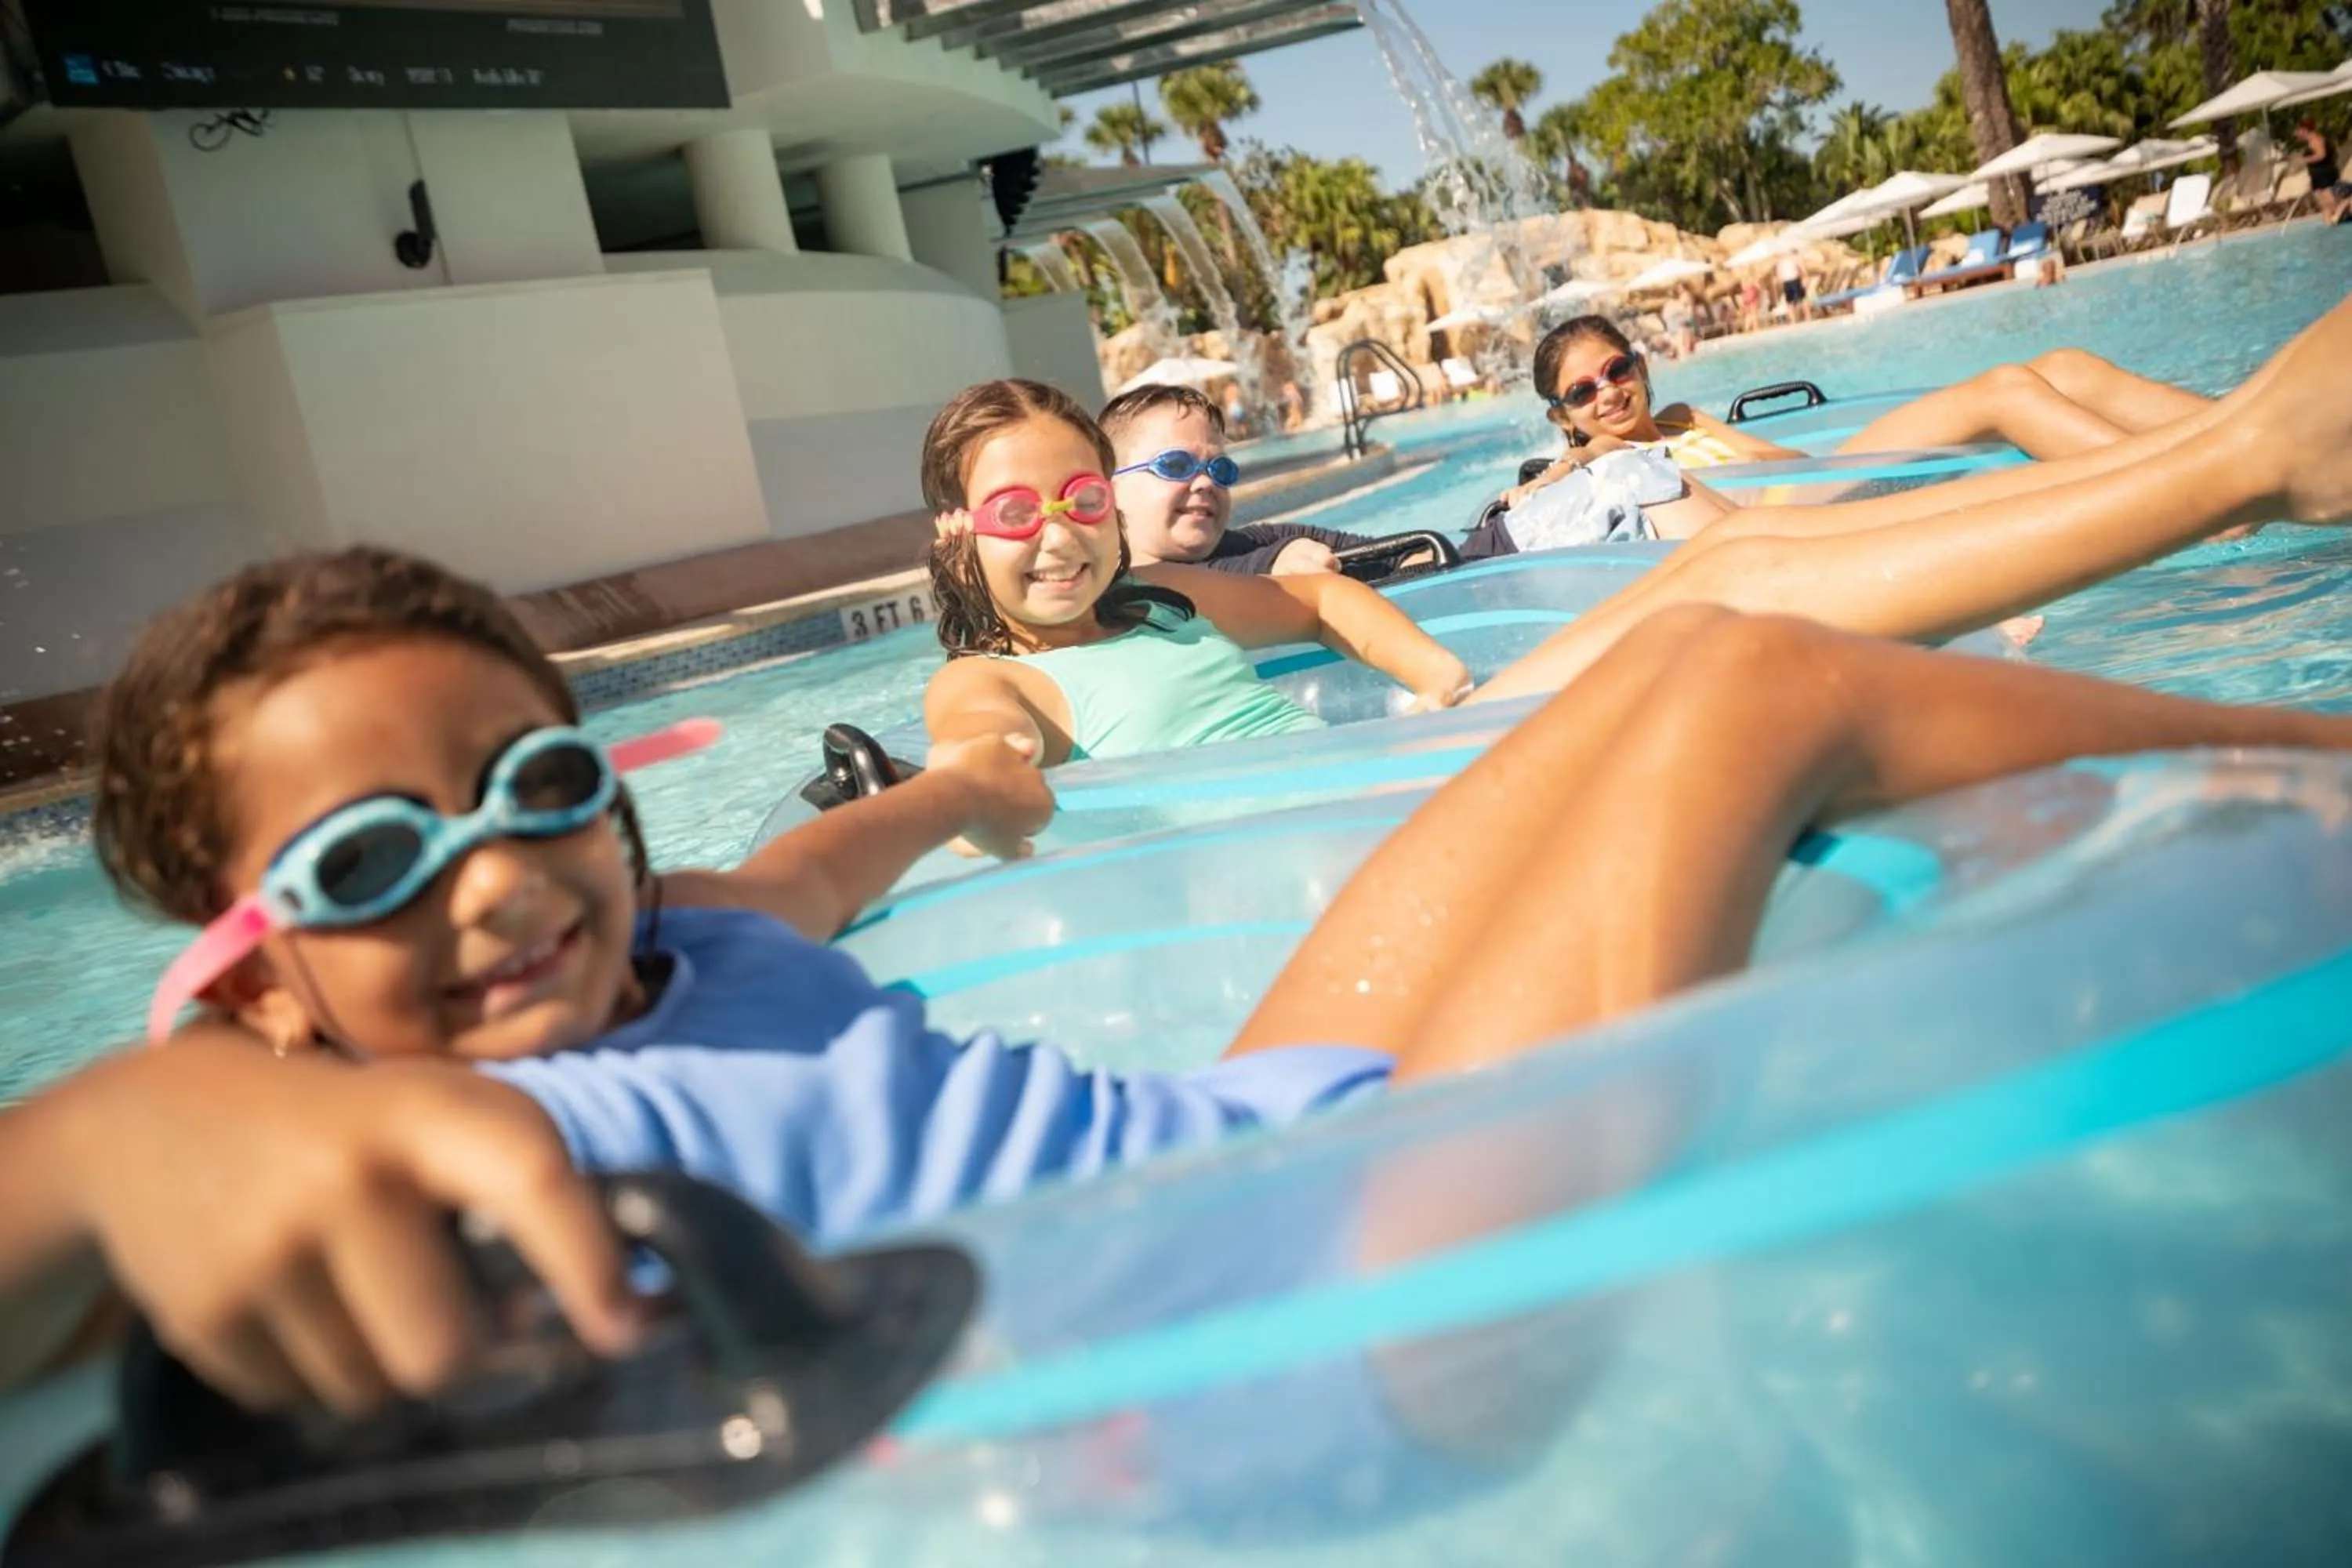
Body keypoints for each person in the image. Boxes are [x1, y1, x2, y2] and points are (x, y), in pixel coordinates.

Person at [10, 545, 2352, 1415]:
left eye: (532, 784)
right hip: (1312, 1343)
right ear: (256, 978)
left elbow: (831, 865)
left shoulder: (684, 939)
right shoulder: (384, 1142)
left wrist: (962, 782)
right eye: (370, 860)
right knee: (1747, 702)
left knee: (1675, 669)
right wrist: (129, 1134)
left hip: (1262, 1135)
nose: (492, 878)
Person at [1463, 290, 2352, 700]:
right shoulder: (1589, 473)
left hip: (1816, 491)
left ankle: (2254, 419)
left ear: (1642, 367)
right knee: (2004, 389)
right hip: (1794, 538)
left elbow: (1785, 460)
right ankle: (2228, 487)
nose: (1609, 392)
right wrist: (1577, 467)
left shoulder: (1686, 416)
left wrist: (1720, 444)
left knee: (2061, 368)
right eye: (1584, 392)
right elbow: (1711, 524)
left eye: (1617, 370)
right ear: (1561, 416)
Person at [923, 379, 1471, 765]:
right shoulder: (987, 681)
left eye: (1083, 500)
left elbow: (1324, 599)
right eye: (1016, 513)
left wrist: (1437, 678)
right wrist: (980, 786)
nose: (1061, 538)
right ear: (957, 538)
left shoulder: (1158, 597)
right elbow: (980, 748)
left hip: (1373, 792)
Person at [1102, 384, 1359, 577]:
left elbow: (1389, 553)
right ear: (1111, 491)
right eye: (1176, 465)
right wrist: (1276, 564)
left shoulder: (1248, 543)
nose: (1206, 482)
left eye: (1220, 468)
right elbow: (1196, 584)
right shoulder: (1106, 597)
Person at [2293, 120, 2350, 226]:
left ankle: (2337, 217)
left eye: (2298, 130)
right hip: (2319, 178)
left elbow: (2321, 155)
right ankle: (2329, 224)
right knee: (2325, 207)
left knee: (2330, 205)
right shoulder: (2312, 142)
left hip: (2325, 178)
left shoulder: (2315, 140)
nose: (2296, 133)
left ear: (2305, 130)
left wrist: (2304, 160)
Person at [1774, 253, 1810, 322]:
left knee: (1790, 302)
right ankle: (1807, 317)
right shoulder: (1793, 259)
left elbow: (1779, 276)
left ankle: (1793, 320)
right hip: (1794, 280)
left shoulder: (1780, 263)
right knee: (1802, 299)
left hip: (1787, 282)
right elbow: (1801, 270)